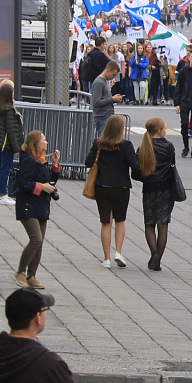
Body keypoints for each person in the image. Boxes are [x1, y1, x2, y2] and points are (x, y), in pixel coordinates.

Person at [84, 115, 139, 269]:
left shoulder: (99, 144)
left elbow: (88, 162)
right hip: (121, 188)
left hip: (102, 187)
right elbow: (135, 166)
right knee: (120, 220)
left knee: (106, 222)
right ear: (121, 129)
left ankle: (106, 258)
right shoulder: (126, 145)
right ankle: (118, 253)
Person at [12, 131, 60, 290]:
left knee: (39, 243)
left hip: (41, 205)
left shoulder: (41, 159)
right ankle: (20, 272)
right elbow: (23, 183)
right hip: (28, 205)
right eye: (43, 140)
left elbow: (49, 180)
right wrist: (41, 187)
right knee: (36, 239)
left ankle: (31, 276)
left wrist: (54, 165)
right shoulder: (29, 161)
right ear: (35, 143)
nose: (46, 143)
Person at [134, 118, 177, 271]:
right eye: (164, 128)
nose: (166, 130)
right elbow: (172, 166)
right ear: (159, 131)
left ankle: (154, 253)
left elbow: (136, 172)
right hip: (166, 188)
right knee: (163, 224)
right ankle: (158, 259)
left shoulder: (143, 147)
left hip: (149, 189)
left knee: (149, 223)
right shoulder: (169, 146)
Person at [0, 80, 21, 205]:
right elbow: (11, 131)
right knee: (5, 168)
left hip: (0, 142)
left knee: (2, 168)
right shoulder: (8, 110)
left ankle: (1, 192)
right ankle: (3, 194)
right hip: (6, 143)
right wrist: (16, 148)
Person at [90, 61, 124, 133]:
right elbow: (96, 102)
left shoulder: (104, 81)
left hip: (106, 116)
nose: (113, 77)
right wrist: (112, 99)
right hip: (102, 117)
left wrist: (114, 99)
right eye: (113, 75)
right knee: (104, 141)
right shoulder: (99, 82)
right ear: (107, 71)